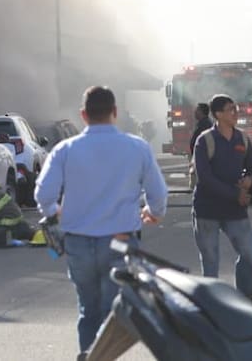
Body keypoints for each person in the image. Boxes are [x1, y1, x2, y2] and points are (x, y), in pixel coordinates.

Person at [35, 85, 168, 360]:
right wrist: (153, 212)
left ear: (83, 115)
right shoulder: (137, 147)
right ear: (115, 112)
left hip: (77, 242)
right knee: (112, 313)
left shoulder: (65, 149)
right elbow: (158, 195)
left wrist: (55, 211)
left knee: (88, 310)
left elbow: (43, 193)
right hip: (120, 241)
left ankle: (88, 354)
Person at [192, 94, 252, 308]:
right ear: (218, 114)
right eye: (231, 109)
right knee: (210, 260)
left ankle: (245, 297)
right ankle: (211, 305)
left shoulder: (242, 139)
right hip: (207, 209)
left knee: (248, 252)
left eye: (236, 108)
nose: (235, 113)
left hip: (235, 210)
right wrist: (234, 194)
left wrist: (251, 179)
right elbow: (205, 177)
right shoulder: (205, 141)